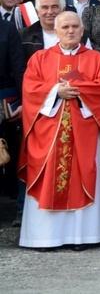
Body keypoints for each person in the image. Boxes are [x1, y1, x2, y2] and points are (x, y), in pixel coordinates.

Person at [18, 12, 100, 250]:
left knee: (83, 175)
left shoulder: (95, 59)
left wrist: (75, 88)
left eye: (74, 27)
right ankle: (44, 237)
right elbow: (30, 88)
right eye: (65, 27)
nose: (70, 31)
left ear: (82, 31)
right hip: (48, 131)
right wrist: (54, 92)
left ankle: (82, 237)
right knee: (48, 176)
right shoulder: (40, 58)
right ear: (56, 31)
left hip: (84, 131)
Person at [0, 17, 25, 227]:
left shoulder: (7, 28)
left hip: (5, 99)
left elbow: (18, 67)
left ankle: (20, 209)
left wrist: (26, 102)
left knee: (13, 152)